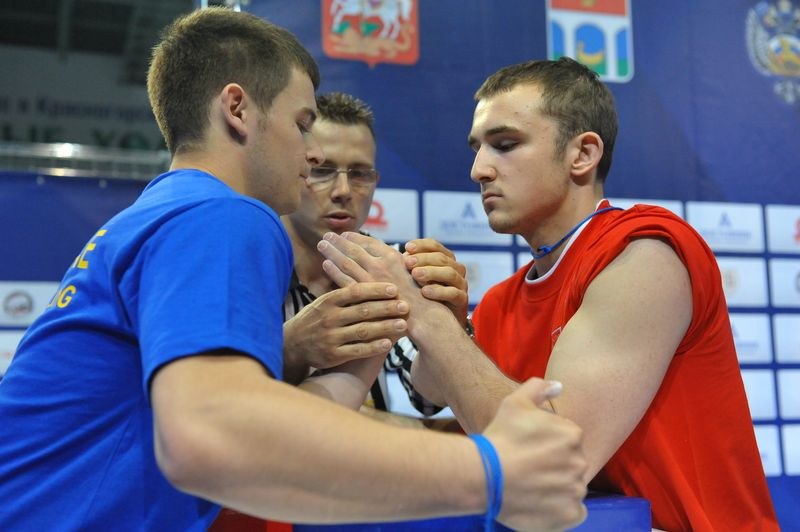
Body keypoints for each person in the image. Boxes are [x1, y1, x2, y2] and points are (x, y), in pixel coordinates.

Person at [0, 9, 588, 531]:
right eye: (303, 123)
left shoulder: (167, 213)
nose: (311, 154)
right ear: (237, 110)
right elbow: (212, 437)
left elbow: (272, 423)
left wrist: (370, 341)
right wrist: (494, 472)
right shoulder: (223, 216)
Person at [316, 57, 779, 531]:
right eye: (477, 148)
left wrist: (427, 319)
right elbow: (434, 394)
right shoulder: (499, 301)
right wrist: (443, 318)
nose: (478, 169)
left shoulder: (644, 252)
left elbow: (559, 458)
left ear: (582, 154)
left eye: (506, 144)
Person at [280, 91, 461, 421]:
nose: (344, 191)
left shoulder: (387, 264)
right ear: (297, 167)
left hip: (365, 467)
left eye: (361, 173)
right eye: (322, 170)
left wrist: (446, 328)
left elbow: (427, 399)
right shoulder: (250, 259)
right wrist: (287, 350)